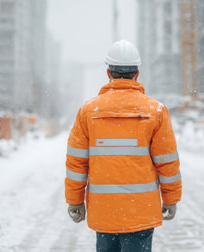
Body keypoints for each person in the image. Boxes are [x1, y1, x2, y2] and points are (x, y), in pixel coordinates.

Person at [65, 40, 182, 252]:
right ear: (137, 74)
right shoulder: (155, 110)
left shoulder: (88, 111)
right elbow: (167, 162)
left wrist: (75, 200)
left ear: (108, 73)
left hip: (104, 211)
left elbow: (77, 162)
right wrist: (171, 198)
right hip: (141, 211)